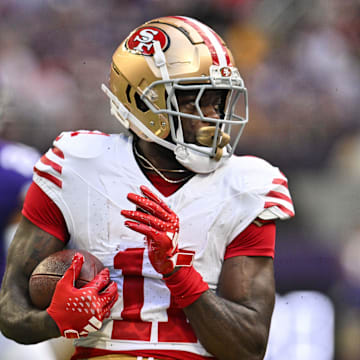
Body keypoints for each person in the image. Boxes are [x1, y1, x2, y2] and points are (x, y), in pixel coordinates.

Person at [0, 16, 295, 360]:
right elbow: (10, 310)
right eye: (196, 101)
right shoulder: (76, 166)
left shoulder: (246, 185)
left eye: (219, 100)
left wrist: (178, 273)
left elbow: (249, 347)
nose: (215, 117)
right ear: (143, 102)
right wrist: (56, 320)